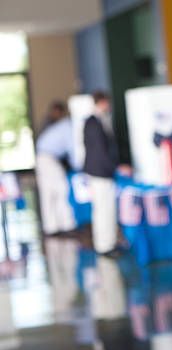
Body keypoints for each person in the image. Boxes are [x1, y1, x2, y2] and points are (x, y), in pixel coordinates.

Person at [83, 91, 120, 255]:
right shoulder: (93, 123)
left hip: (101, 170)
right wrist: (113, 167)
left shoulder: (97, 121)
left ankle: (108, 243)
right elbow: (99, 151)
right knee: (103, 209)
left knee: (106, 208)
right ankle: (104, 245)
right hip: (100, 171)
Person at [35, 100, 78, 235]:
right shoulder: (67, 126)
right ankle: (67, 226)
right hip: (48, 158)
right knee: (62, 190)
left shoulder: (57, 125)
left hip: (43, 158)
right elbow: (72, 148)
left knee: (49, 193)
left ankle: (51, 227)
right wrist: (79, 167)